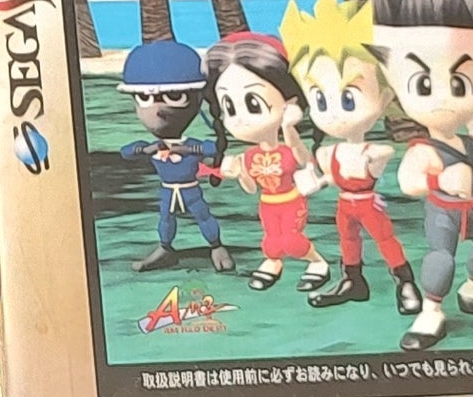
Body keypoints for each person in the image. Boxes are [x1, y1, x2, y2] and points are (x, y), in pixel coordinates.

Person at [374, 0, 473, 351]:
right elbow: (408, 183)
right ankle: (432, 311)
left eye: (460, 84)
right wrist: (436, 180)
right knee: (442, 259)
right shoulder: (422, 149)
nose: (444, 97)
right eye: (424, 84)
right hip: (443, 210)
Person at [280, 0, 421, 313]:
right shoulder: (329, 153)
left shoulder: (376, 150)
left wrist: (358, 164)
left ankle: (405, 282)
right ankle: (353, 280)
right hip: (345, 205)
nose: (333, 114)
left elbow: (379, 157)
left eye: (347, 98)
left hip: (368, 203)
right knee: (348, 240)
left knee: (385, 239)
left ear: (385, 97)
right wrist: (289, 130)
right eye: (319, 99)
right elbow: (309, 164)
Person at [202, 34, 329, 294]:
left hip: (291, 200)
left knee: (292, 240)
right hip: (267, 204)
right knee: (271, 243)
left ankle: (318, 263)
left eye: (253, 104)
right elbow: (251, 189)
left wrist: (289, 128)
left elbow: (303, 159)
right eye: (229, 108)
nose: (240, 120)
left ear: (289, 102)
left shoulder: (288, 148)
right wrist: (239, 173)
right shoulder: (248, 156)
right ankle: (273, 262)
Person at [116, 40, 236, 274]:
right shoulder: (153, 147)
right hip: (168, 189)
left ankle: (217, 247)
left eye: (173, 96)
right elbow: (126, 152)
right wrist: (146, 150)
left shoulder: (189, 145)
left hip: (190, 189)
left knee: (203, 216)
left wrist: (188, 150)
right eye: (144, 98)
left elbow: (213, 148)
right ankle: (165, 249)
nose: (157, 110)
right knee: (165, 219)